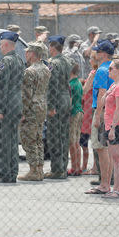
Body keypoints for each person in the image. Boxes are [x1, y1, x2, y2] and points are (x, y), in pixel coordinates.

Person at [0, 32, 24, 183]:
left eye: (1, 45)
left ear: (6, 45)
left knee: (1, 140)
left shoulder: (5, 62)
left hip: (5, 105)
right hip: (16, 104)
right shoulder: (19, 61)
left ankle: (3, 172)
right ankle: (12, 172)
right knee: (12, 140)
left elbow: (2, 87)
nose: (0, 48)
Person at [85, 40, 114, 194]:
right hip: (109, 111)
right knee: (106, 150)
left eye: (97, 51)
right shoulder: (111, 68)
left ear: (102, 54)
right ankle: (106, 183)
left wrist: (97, 116)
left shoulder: (102, 70)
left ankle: (104, 185)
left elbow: (102, 93)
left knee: (102, 150)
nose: (94, 54)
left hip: (102, 111)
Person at [18, 42, 50, 181]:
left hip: (31, 108)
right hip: (41, 106)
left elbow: (26, 94)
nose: (26, 54)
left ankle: (33, 170)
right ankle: (40, 168)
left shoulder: (30, 71)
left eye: (28, 52)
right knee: (38, 139)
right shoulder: (45, 69)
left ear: (33, 54)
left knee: (28, 139)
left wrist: (23, 112)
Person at [100, 58, 119, 199]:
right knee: (115, 158)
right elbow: (103, 101)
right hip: (110, 124)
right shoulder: (114, 85)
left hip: (118, 125)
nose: (109, 70)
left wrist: (112, 128)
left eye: (111, 68)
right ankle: (116, 188)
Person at [45, 35, 72, 179]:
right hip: (66, 98)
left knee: (54, 136)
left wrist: (50, 106)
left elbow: (52, 86)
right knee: (64, 135)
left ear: (53, 47)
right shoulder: (67, 61)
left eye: (50, 46)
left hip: (56, 100)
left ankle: (56, 169)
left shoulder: (52, 63)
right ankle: (63, 166)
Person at [81, 52, 98, 175]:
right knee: (97, 138)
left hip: (89, 107)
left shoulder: (93, 73)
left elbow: (85, 90)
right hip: (95, 106)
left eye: (91, 59)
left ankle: (93, 167)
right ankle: (95, 166)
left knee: (90, 138)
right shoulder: (104, 71)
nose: (89, 60)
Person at [68, 63, 84, 176]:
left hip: (73, 113)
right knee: (77, 141)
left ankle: (74, 167)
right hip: (80, 111)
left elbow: (70, 100)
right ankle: (78, 166)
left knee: (71, 142)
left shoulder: (71, 84)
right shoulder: (78, 82)